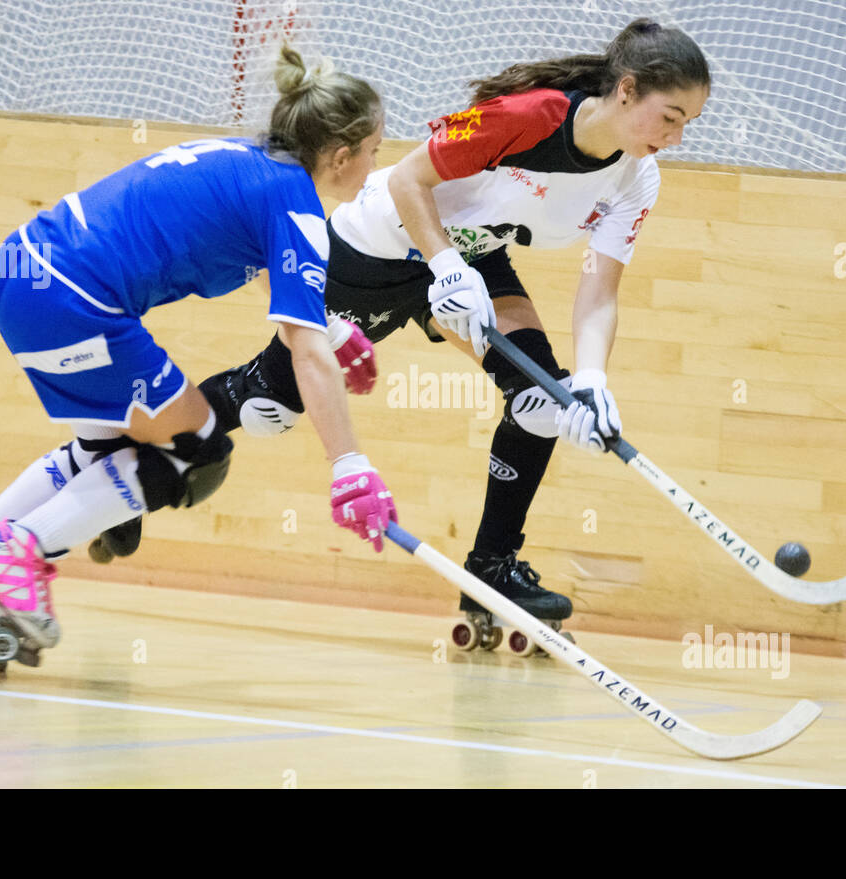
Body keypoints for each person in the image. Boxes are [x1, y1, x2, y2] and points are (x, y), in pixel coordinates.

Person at [99, 18, 710, 652]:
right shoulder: (532, 115)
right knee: (270, 406)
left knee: (542, 402)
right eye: (671, 116)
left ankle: (490, 571)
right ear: (628, 91)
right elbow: (405, 179)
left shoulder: (638, 179)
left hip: (475, 260)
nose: (677, 135)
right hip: (384, 244)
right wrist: (442, 264)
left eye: (689, 122)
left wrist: (589, 382)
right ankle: (129, 464)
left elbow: (598, 292)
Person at [0, 48, 397, 671]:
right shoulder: (295, 205)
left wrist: (329, 324)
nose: (375, 165)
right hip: (76, 300)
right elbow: (306, 355)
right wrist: (349, 464)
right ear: (340, 155)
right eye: (373, 149)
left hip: (24, 272)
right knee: (197, 450)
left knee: (101, 448)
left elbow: (262, 266)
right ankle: (10, 556)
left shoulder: (244, 158)